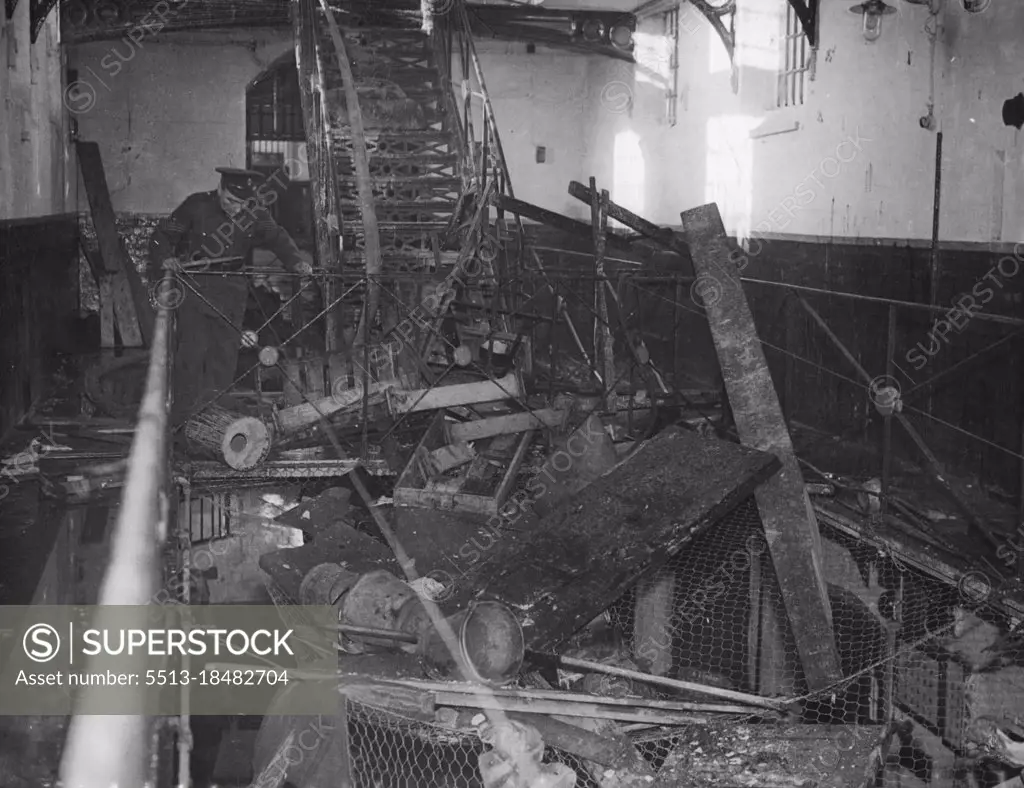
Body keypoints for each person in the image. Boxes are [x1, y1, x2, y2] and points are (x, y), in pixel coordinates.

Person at [148, 167, 313, 425]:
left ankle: (214, 424)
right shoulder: (196, 205)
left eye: (241, 203)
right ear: (220, 188)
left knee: (223, 360)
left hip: (231, 294)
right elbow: (161, 235)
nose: (236, 208)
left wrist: (295, 262)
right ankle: (180, 425)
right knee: (190, 358)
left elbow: (278, 237)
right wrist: (165, 258)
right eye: (230, 201)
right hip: (195, 291)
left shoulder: (253, 213)